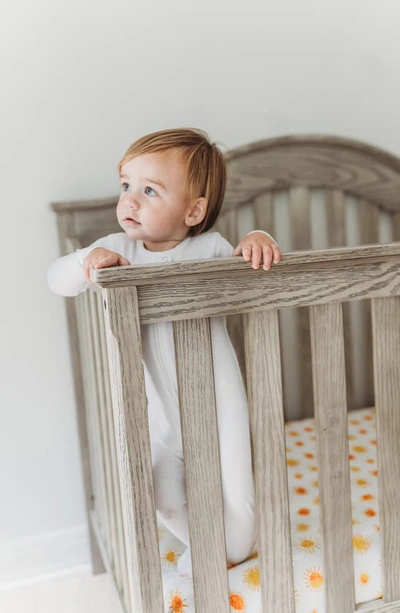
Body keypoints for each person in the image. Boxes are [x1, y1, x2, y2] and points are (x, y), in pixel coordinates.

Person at [48, 128, 281, 576]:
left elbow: (250, 267)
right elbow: (55, 280)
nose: (129, 201)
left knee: (240, 495)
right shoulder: (116, 251)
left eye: (149, 190)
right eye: (126, 185)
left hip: (219, 404)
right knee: (160, 495)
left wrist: (258, 235)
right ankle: (208, 542)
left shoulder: (209, 249)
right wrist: (85, 263)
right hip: (155, 413)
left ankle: (233, 549)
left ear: (194, 210)